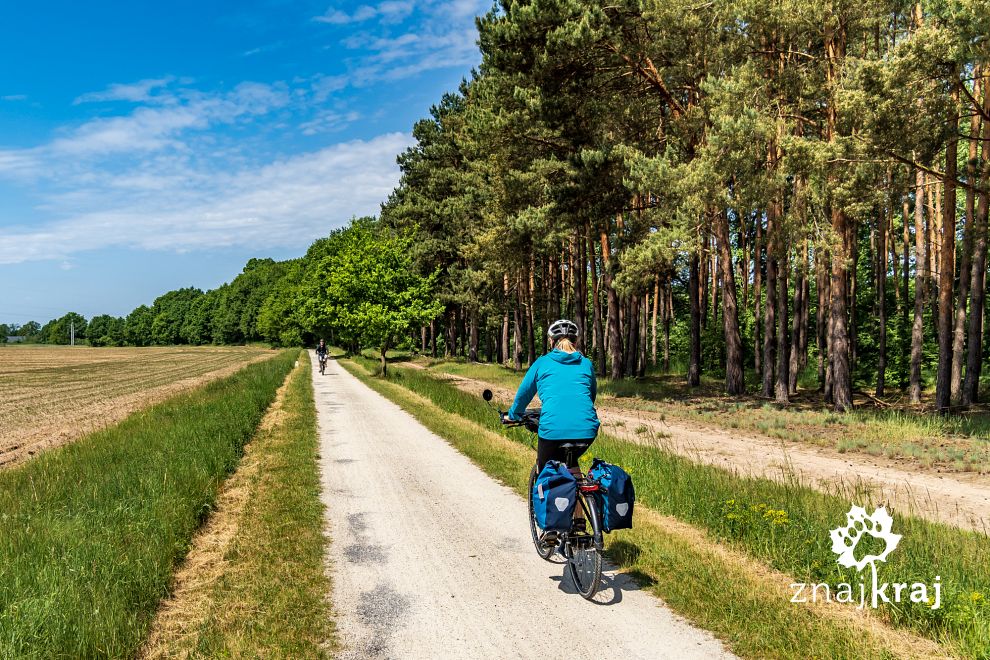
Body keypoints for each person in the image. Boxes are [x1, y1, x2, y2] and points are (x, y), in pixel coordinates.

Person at [507, 319, 599, 533]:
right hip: (587, 430)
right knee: (572, 463)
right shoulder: (586, 364)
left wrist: (513, 415)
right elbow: (590, 396)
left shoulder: (542, 363)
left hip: (552, 430)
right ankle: (579, 523)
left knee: (546, 470)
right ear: (575, 341)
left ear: (551, 341)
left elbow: (523, 396)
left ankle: (549, 528)